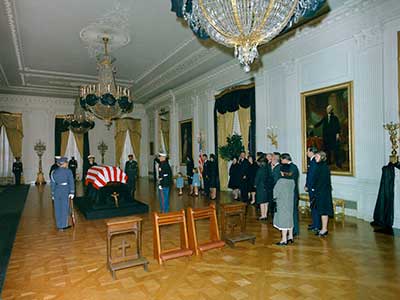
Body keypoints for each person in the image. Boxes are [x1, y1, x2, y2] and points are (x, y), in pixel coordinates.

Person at [273, 163, 295, 246]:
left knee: (283, 220)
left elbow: (275, 193)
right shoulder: (292, 181)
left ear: (282, 172)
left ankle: (284, 239)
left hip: (282, 202)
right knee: (290, 218)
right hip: (290, 202)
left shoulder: (281, 181)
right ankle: (291, 236)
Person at [50, 157, 75, 231]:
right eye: (66, 162)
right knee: (64, 208)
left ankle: (59, 225)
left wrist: (53, 194)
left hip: (57, 190)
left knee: (57, 208)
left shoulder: (53, 172)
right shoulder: (68, 171)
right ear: (64, 164)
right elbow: (71, 182)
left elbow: (53, 184)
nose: (67, 163)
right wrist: (72, 192)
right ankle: (63, 225)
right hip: (65, 190)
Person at [313, 151, 334, 236]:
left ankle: (324, 229)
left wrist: (315, 189)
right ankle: (323, 229)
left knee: (323, 210)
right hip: (322, 192)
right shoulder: (321, 166)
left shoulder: (323, 167)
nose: (315, 158)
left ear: (322, 157)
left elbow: (321, 181)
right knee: (322, 210)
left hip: (322, 192)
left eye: (317, 157)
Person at [280, 153, 300, 236]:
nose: (281, 161)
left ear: (285, 159)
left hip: (291, 193)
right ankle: (290, 229)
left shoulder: (293, 167)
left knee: (293, 212)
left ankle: (294, 230)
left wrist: (283, 175)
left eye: (282, 160)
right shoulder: (291, 166)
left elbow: (291, 177)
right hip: (289, 192)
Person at [304, 146, 320, 232]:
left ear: (311, 152)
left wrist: (310, 186)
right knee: (313, 206)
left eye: (307, 151)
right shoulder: (312, 161)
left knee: (315, 206)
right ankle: (314, 223)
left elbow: (313, 176)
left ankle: (317, 225)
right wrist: (307, 185)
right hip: (311, 187)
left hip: (313, 188)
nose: (306, 153)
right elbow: (309, 176)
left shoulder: (314, 162)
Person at [255, 156, 274, 220]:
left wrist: (255, 184)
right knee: (266, 202)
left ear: (261, 163)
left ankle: (263, 215)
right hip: (267, 187)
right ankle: (265, 215)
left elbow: (257, 179)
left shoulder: (260, 169)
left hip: (261, 187)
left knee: (261, 202)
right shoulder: (268, 168)